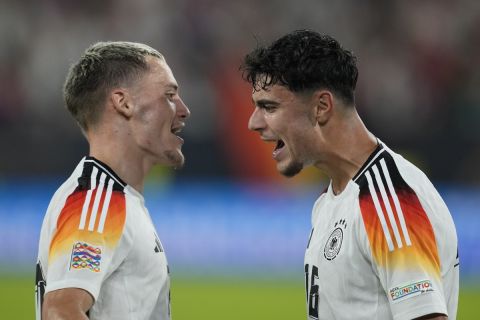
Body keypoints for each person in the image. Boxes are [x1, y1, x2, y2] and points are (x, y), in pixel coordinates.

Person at [240, 30, 459, 320]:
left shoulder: (387, 199)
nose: (252, 123)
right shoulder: (334, 198)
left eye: (269, 106)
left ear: (321, 107)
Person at [35, 41, 190, 320]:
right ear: (124, 102)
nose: (183, 110)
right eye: (169, 95)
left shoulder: (115, 198)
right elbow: (60, 311)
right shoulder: (97, 201)